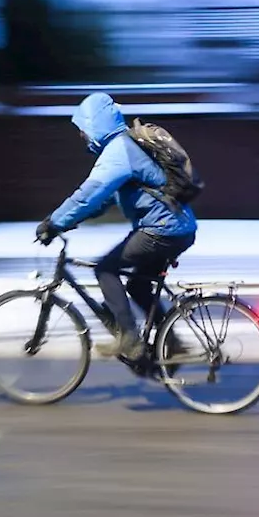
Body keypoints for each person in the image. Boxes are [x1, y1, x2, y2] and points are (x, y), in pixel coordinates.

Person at [36, 92, 196, 362]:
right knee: (137, 286)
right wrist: (71, 221)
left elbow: (90, 192)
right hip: (176, 227)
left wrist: (54, 222)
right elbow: (100, 201)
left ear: (95, 124)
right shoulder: (125, 148)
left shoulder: (119, 151)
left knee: (105, 269)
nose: (82, 137)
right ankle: (173, 343)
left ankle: (130, 340)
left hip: (162, 229)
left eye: (83, 129)